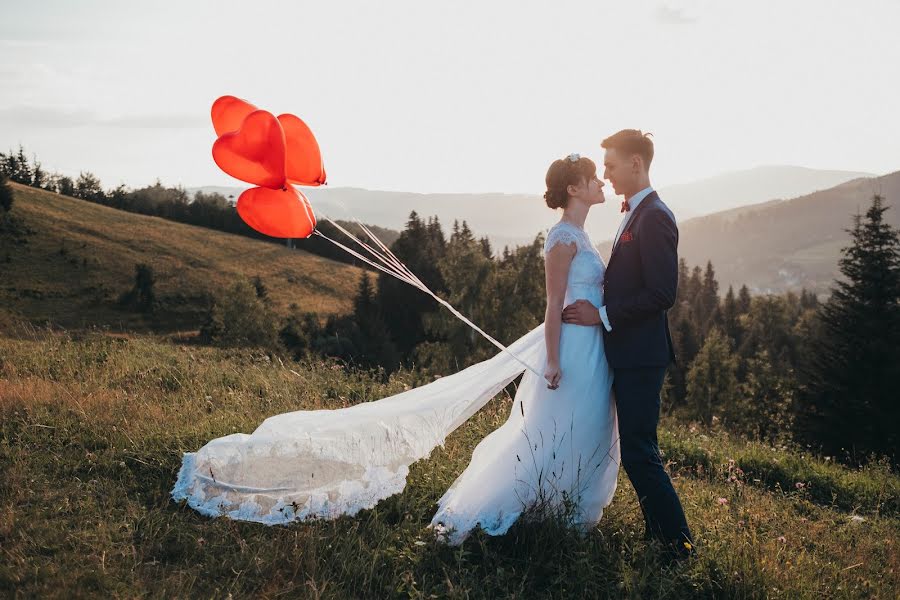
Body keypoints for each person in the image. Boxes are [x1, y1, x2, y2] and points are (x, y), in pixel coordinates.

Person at [171, 155, 620, 547]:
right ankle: (517, 508)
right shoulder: (561, 239)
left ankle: (561, 511)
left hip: (592, 347)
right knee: (556, 423)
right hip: (570, 350)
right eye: (594, 178)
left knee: (582, 425)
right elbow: (552, 304)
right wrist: (555, 359)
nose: (602, 183)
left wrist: (599, 314)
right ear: (574, 188)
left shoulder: (581, 236)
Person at [563, 130, 694, 555]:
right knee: (636, 449)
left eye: (611, 165)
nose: (606, 174)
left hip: (642, 356)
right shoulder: (635, 212)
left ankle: (677, 544)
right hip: (629, 352)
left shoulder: (655, 216)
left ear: (636, 163)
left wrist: (600, 316)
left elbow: (662, 294)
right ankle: (660, 535)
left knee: (640, 450)